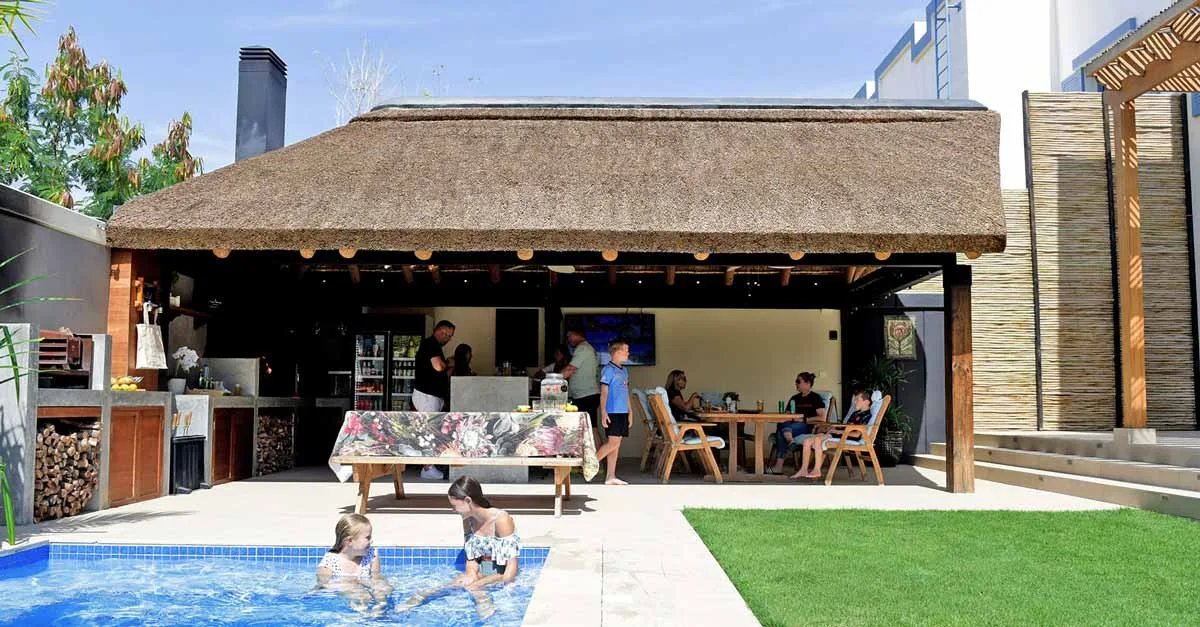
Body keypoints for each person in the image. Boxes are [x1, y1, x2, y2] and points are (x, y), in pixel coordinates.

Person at [397, 476, 519, 620]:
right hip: (483, 569)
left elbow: (511, 568)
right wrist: (471, 573)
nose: (453, 510)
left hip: (501, 571)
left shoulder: (501, 520)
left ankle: (486, 607)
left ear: (468, 500)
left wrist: (481, 583)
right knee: (458, 582)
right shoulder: (468, 520)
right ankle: (422, 596)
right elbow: (471, 557)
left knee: (474, 587)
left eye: (454, 505)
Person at [315, 513, 392, 616]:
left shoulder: (372, 555)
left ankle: (380, 608)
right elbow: (323, 585)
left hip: (368, 589)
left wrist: (377, 590)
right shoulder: (329, 562)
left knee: (382, 588)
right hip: (348, 596)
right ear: (350, 541)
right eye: (367, 538)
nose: (371, 541)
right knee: (358, 592)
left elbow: (376, 578)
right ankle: (363, 614)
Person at [790, 389, 872, 480]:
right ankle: (803, 470)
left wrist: (839, 432)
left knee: (817, 439)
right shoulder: (856, 413)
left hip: (848, 438)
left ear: (867, 402)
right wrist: (834, 428)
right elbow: (847, 426)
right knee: (807, 441)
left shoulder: (867, 416)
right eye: (855, 399)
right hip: (841, 434)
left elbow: (857, 434)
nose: (855, 402)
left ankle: (817, 470)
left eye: (857, 399)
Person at [414, 320, 455, 480]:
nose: (448, 339)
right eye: (447, 335)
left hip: (431, 395)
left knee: (431, 430)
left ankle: (430, 465)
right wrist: (449, 363)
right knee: (428, 431)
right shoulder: (430, 344)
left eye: (450, 336)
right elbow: (438, 366)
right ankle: (427, 467)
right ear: (440, 331)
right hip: (427, 394)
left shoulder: (433, 346)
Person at [768, 372, 827, 475]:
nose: (796, 384)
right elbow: (786, 415)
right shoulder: (794, 398)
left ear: (808, 383)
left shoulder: (815, 398)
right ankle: (790, 440)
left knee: (781, 430)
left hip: (806, 427)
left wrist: (804, 420)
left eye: (798, 381)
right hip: (790, 426)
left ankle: (778, 466)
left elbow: (822, 417)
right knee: (782, 425)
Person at [594, 340, 631, 485]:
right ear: (617, 352)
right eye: (626, 350)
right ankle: (590, 465)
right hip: (612, 412)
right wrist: (603, 412)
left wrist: (630, 411)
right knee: (613, 443)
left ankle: (610, 476)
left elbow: (626, 392)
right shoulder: (608, 370)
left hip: (623, 412)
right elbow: (603, 392)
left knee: (616, 444)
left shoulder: (624, 370)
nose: (628, 353)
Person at [560, 326, 601, 445]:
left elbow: (570, 369)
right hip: (584, 395)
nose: (568, 339)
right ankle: (595, 461)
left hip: (586, 396)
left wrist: (553, 380)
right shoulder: (586, 348)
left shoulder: (583, 348)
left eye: (569, 336)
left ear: (578, 334)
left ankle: (598, 461)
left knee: (591, 430)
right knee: (587, 429)